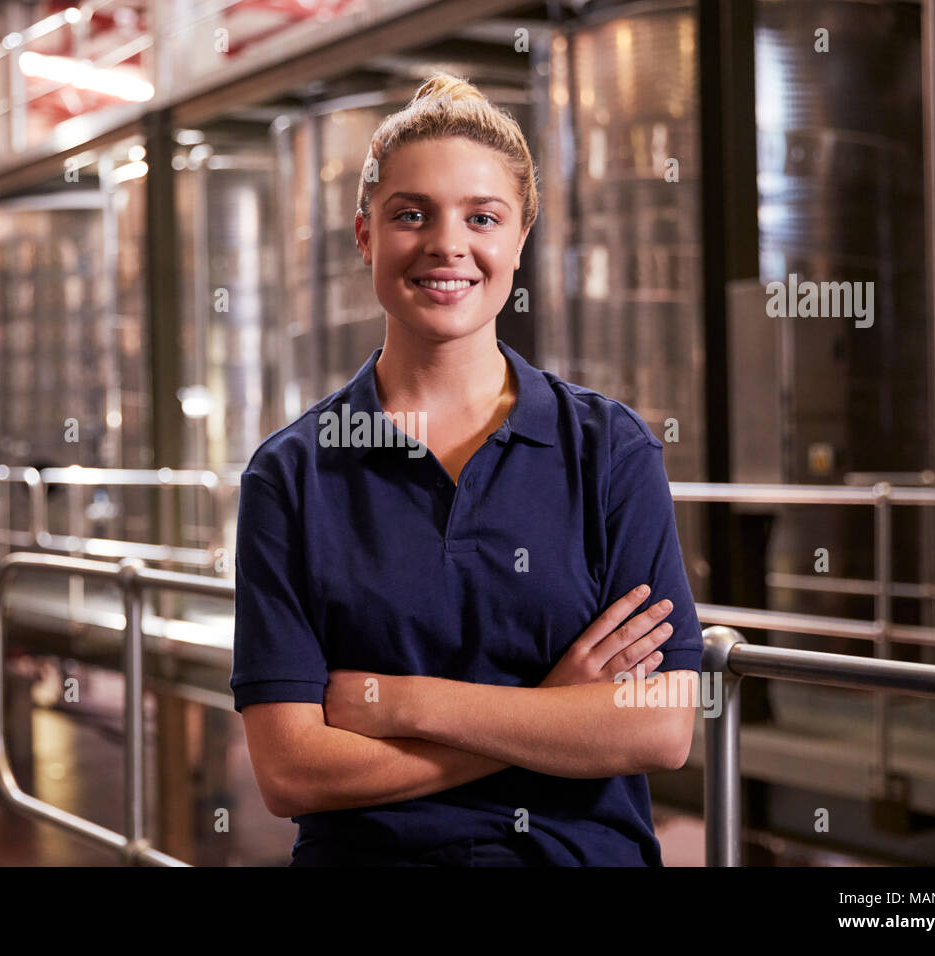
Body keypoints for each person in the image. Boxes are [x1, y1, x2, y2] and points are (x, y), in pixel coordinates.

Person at [231, 72, 702, 866]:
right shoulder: (291, 477)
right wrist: (552, 713)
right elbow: (289, 771)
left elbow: (658, 726)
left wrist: (407, 703)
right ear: (364, 236)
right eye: (410, 215)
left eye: (482, 217)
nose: (447, 245)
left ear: (519, 239)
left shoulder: (610, 451)